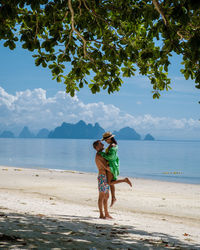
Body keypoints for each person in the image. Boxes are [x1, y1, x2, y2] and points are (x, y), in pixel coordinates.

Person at [99, 132, 132, 207]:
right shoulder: (112, 145)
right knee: (112, 182)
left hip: (111, 165)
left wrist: (101, 154)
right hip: (112, 164)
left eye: (106, 140)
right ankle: (113, 198)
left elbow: (110, 157)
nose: (105, 142)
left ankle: (125, 180)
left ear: (109, 139)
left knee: (109, 183)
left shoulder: (113, 146)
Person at [93, 140, 113, 219]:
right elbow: (106, 167)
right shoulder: (99, 155)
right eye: (101, 144)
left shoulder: (101, 154)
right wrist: (114, 170)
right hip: (102, 177)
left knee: (106, 196)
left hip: (105, 177)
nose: (103, 144)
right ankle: (101, 214)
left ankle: (106, 213)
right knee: (101, 196)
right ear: (97, 147)